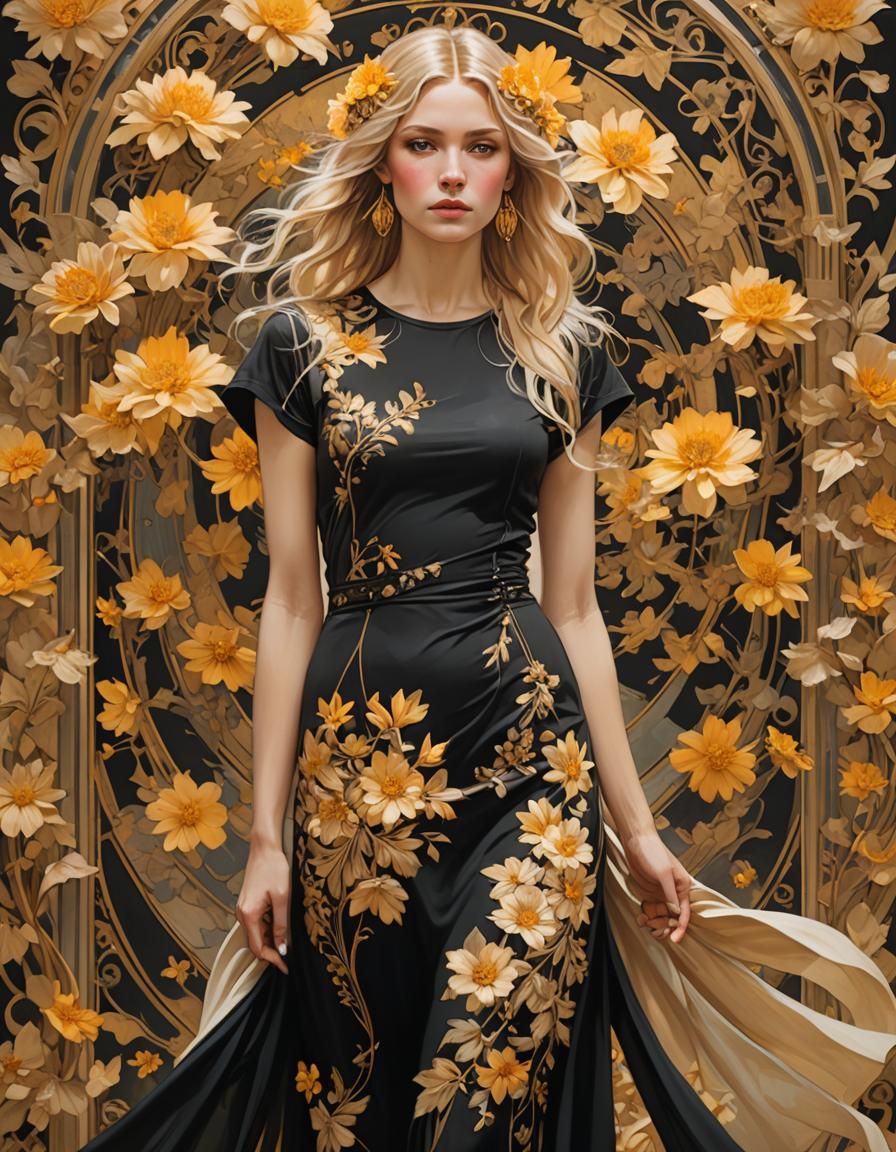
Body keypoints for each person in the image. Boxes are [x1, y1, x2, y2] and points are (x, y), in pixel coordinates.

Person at [80, 23, 896, 1152]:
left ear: (514, 169)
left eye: (479, 146)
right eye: (423, 144)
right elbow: (290, 599)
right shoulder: (300, 346)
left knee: (482, 1101)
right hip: (355, 783)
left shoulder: (560, 353)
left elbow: (571, 609)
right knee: (361, 1108)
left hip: (530, 773)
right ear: (382, 163)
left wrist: (637, 826)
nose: (452, 172)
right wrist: (264, 837)